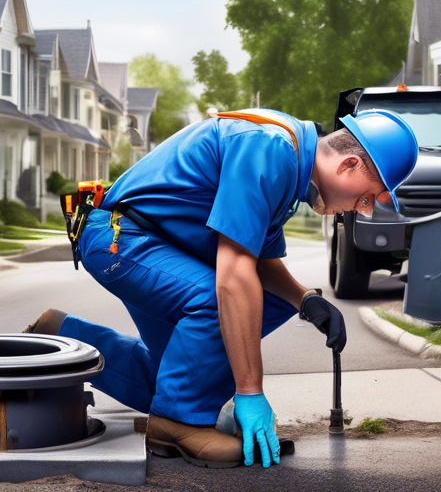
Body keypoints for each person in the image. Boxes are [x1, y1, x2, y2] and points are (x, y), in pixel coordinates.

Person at [25, 107, 418, 468]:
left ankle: (64, 338)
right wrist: (250, 391)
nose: (363, 208)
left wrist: (304, 300)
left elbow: (255, 256)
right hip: (122, 239)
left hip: (152, 244)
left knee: (174, 379)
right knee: (222, 300)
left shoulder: (290, 163)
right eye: (368, 197)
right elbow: (233, 276)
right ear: (348, 165)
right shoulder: (270, 149)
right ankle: (177, 423)